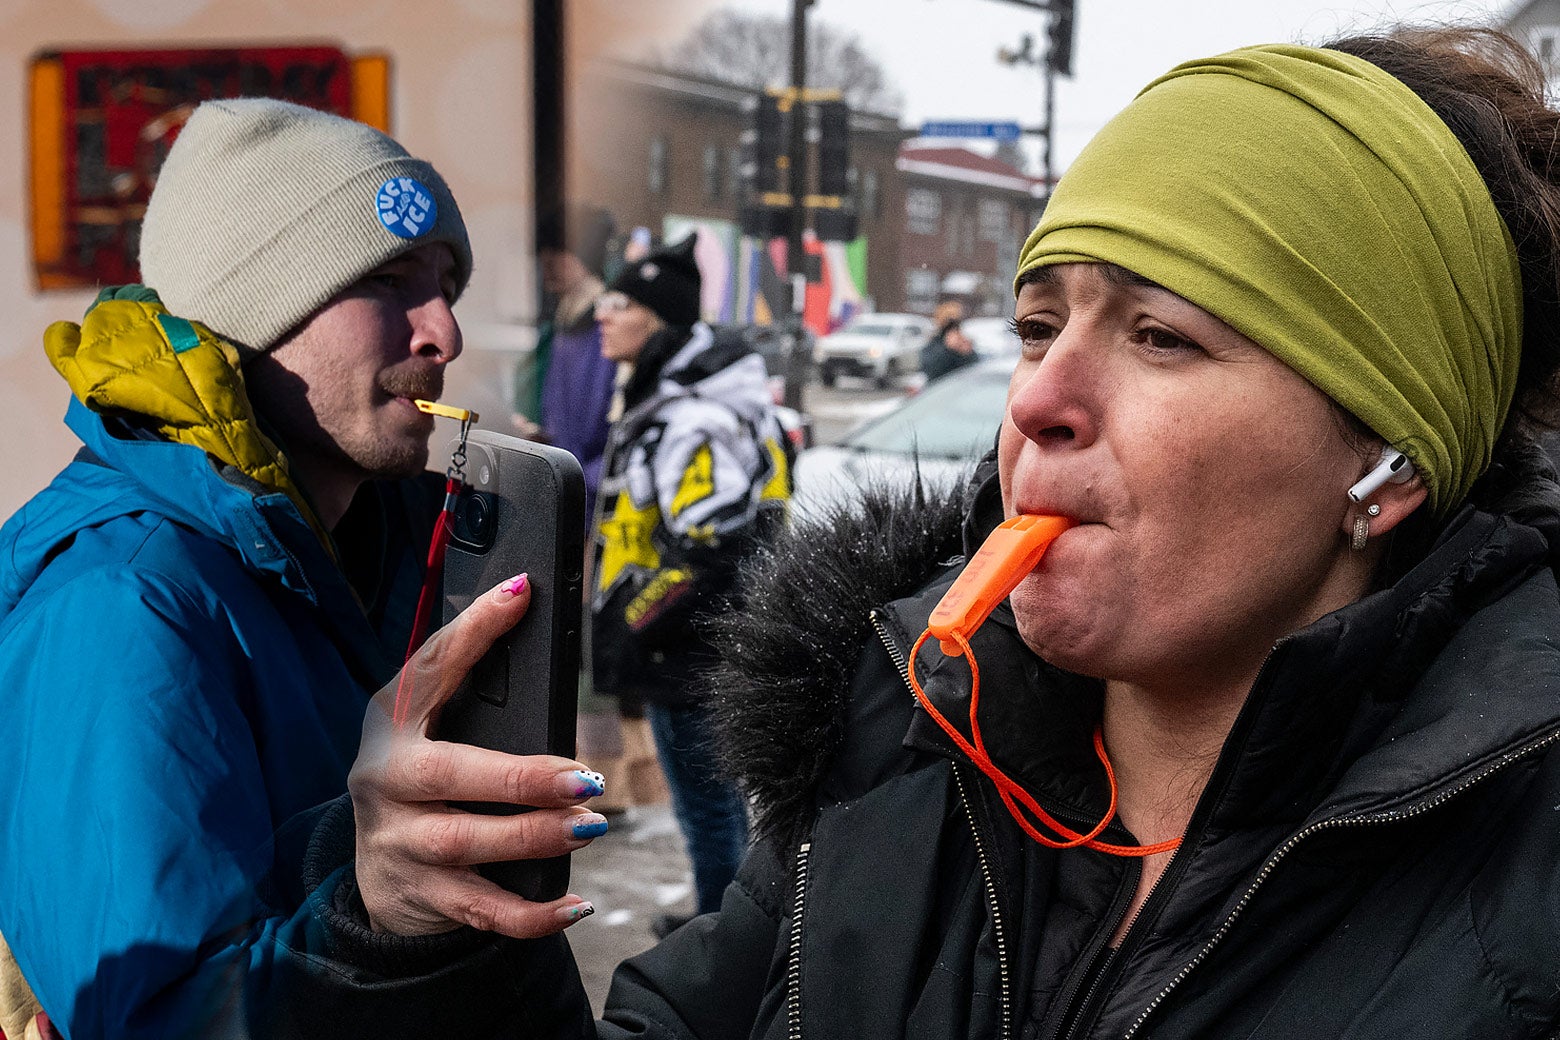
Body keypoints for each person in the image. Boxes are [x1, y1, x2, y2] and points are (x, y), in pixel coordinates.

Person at [237, 24, 1560, 1038]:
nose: (1038, 399)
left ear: (1386, 466)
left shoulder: (1523, 864)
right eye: (1040, 326)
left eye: (1163, 337)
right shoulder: (895, 746)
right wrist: (414, 939)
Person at [0, 98, 576, 1038]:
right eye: (387, 283)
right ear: (247, 311)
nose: (444, 334)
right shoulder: (123, 600)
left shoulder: (382, 546)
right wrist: (371, 918)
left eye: (446, 285)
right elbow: (158, 1016)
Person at [589, 234, 792, 935]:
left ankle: (722, 945)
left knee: (707, 810)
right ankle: (723, 923)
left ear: (660, 323)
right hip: (692, 643)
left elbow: (710, 553)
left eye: (621, 303)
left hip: (688, 650)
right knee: (718, 807)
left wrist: (631, 622)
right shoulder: (683, 401)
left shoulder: (693, 420)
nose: (602, 315)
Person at [516, 204, 619, 523]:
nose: (545, 260)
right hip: (555, 498)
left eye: (558, 251)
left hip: (583, 510)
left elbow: (611, 445)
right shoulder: (559, 330)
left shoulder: (606, 338)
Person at [919, 302, 979, 382]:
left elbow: (974, 368)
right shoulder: (934, 344)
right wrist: (948, 349)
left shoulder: (963, 342)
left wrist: (966, 352)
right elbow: (931, 369)